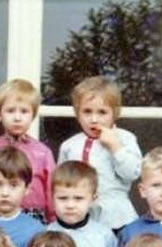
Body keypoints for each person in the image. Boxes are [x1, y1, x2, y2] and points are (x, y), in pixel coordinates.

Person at [58, 76, 142, 231]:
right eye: (87, 112)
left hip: (117, 219)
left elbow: (132, 173)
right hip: (79, 218)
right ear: (77, 113)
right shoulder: (69, 146)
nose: (94, 119)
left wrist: (115, 147)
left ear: (114, 113)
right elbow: (60, 183)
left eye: (102, 112)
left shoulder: (124, 139)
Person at [0, 78, 56, 222]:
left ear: (33, 116)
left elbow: (51, 189)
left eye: (24, 111)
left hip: (35, 215)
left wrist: (53, 219)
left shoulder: (42, 153)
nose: (17, 117)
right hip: (2, 215)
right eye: (10, 111)